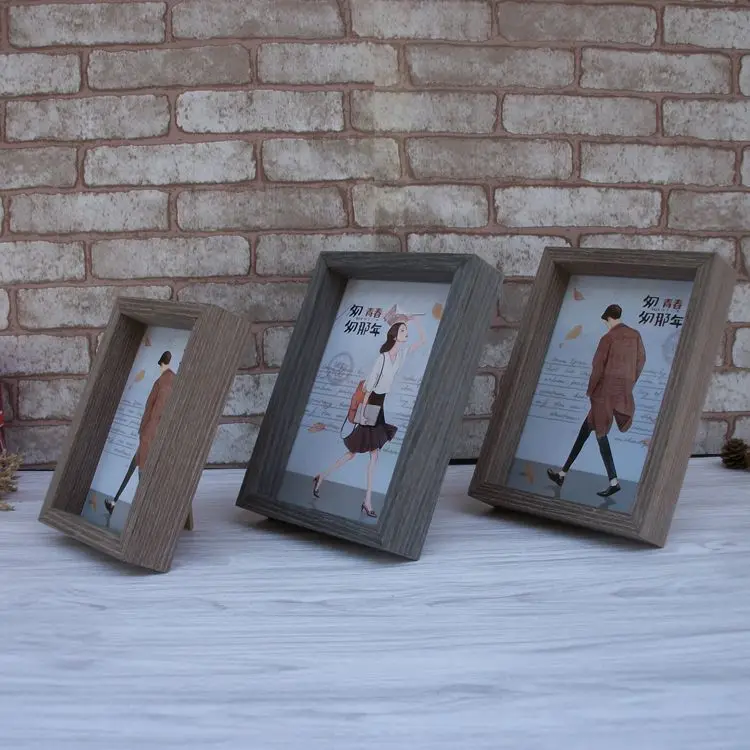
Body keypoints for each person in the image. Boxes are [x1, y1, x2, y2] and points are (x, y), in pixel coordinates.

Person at [312, 309, 426, 518]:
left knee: (359, 453)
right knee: (369, 453)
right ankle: (366, 501)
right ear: (394, 335)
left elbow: (422, 341)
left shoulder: (399, 356)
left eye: (406, 330)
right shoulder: (382, 358)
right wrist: (363, 413)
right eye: (402, 330)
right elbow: (369, 387)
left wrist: (415, 321)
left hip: (379, 406)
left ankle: (324, 477)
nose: (406, 333)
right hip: (371, 404)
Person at [547, 304, 646, 498]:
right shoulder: (635, 335)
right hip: (620, 393)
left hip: (603, 394)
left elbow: (597, 367)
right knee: (585, 431)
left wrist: (590, 390)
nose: (606, 325)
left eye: (605, 322)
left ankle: (614, 482)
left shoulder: (607, 338)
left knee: (601, 434)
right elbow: (641, 360)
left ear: (608, 318)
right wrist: (628, 384)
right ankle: (562, 474)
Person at [105, 351, 175, 514]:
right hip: (159, 431)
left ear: (161, 364)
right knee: (134, 464)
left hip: (150, 430)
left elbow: (153, 409)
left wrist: (143, 429)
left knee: (142, 470)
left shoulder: (162, 382)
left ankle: (143, 510)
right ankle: (114, 502)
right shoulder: (173, 380)